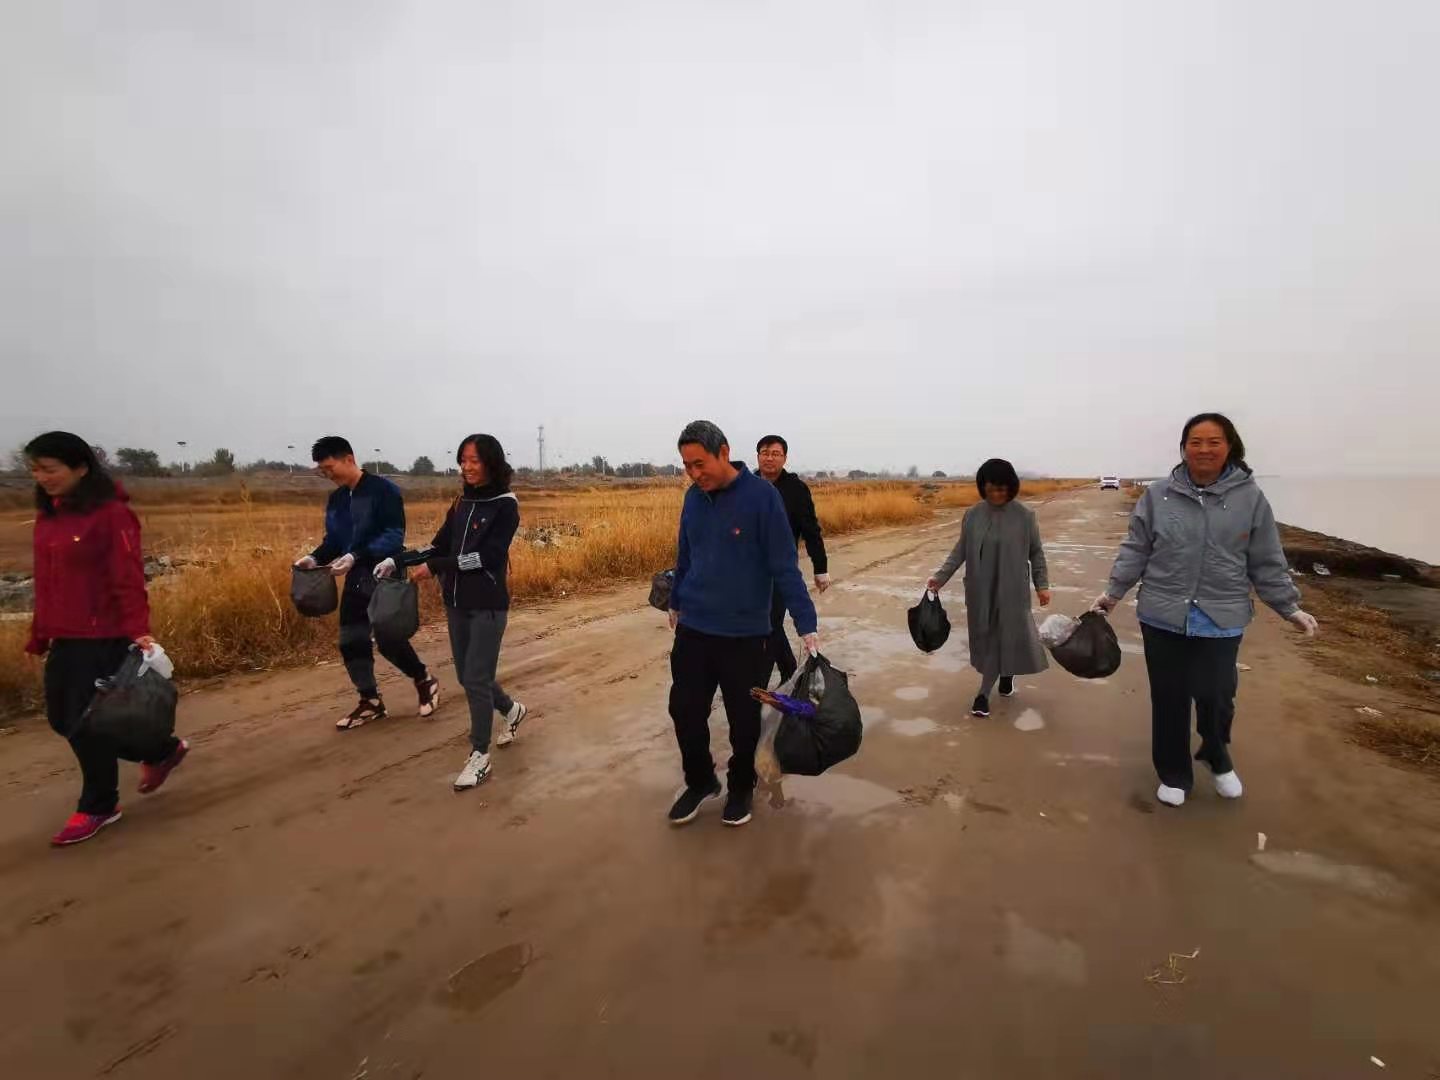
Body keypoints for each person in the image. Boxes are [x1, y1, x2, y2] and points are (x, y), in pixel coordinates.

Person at [1095, 413, 1318, 808]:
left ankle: (1217, 755)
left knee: (1217, 695)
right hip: (1162, 614)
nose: (1204, 449)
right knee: (1170, 697)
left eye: (1214, 441)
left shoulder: (1250, 498)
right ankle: (1174, 773)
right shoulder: (1158, 495)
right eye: (1195, 442)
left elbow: (1266, 558)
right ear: (1184, 448)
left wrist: (1289, 607)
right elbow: (1136, 549)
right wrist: (1112, 594)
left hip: (1222, 614)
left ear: (1230, 447)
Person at [23, 432, 190, 847]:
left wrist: (139, 630)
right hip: (65, 633)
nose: (41, 477)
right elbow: (47, 582)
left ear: (80, 468)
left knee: (85, 721)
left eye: (50, 469)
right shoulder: (50, 517)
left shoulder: (112, 515)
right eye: (35, 469)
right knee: (62, 718)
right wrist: (39, 633)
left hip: (104, 634)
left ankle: (99, 804)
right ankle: (161, 751)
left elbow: (127, 578)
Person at [666, 421, 820, 828]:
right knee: (684, 710)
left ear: (723, 452)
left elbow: (784, 566)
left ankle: (740, 786)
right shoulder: (694, 498)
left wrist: (806, 623)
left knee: (743, 720)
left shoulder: (762, 497)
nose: (694, 474)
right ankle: (701, 781)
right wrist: (676, 601)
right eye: (687, 466)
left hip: (746, 635)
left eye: (700, 464)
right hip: (695, 628)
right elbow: (686, 555)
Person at [375, 434, 528, 792]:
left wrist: (437, 566)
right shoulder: (461, 502)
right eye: (463, 460)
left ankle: (480, 755)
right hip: (456, 603)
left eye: (474, 460)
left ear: (491, 463)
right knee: (469, 675)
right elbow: (439, 545)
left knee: (475, 678)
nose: (467, 467)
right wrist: (398, 559)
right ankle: (511, 710)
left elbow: (487, 558)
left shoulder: (505, 506)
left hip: (487, 604)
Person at [293, 436, 440, 730]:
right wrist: (314, 557)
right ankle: (370, 700)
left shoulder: (384, 491)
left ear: (348, 459)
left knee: (388, 638)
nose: (327, 474)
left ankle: (424, 679)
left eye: (330, 467)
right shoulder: (337, 500)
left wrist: (355, 555)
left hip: (385, 572)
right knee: (351, 640)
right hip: (356, 577)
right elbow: (334, 541)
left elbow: (393, 535)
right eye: (322, 470)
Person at [926, 458, 1052, 718]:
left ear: (1011, 487)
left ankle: (983, 694)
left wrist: (1042, 585)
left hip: (1012, 591)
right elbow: (960, 550)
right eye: (991, 489)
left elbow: (1036, 552)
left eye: (1002, 489)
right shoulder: (973, 515)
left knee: (1004, 636)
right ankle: (1005, 674)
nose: (996, 494)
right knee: (988, 637)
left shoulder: (1025, 516)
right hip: (980, 591)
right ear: (983, 487)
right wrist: (940, 577)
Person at [756, 434, 830, 686]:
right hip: (749, 571)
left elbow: (811, 529)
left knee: (770, 623)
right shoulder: (747, 486)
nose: (769, 458)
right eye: (765, 453)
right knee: (767, 624)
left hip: (781, 569)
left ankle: (758, 685)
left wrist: (820, 568)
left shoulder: (796, 489)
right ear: (758, 456)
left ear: (784, 458)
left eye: (775, 454)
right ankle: (790, 673)